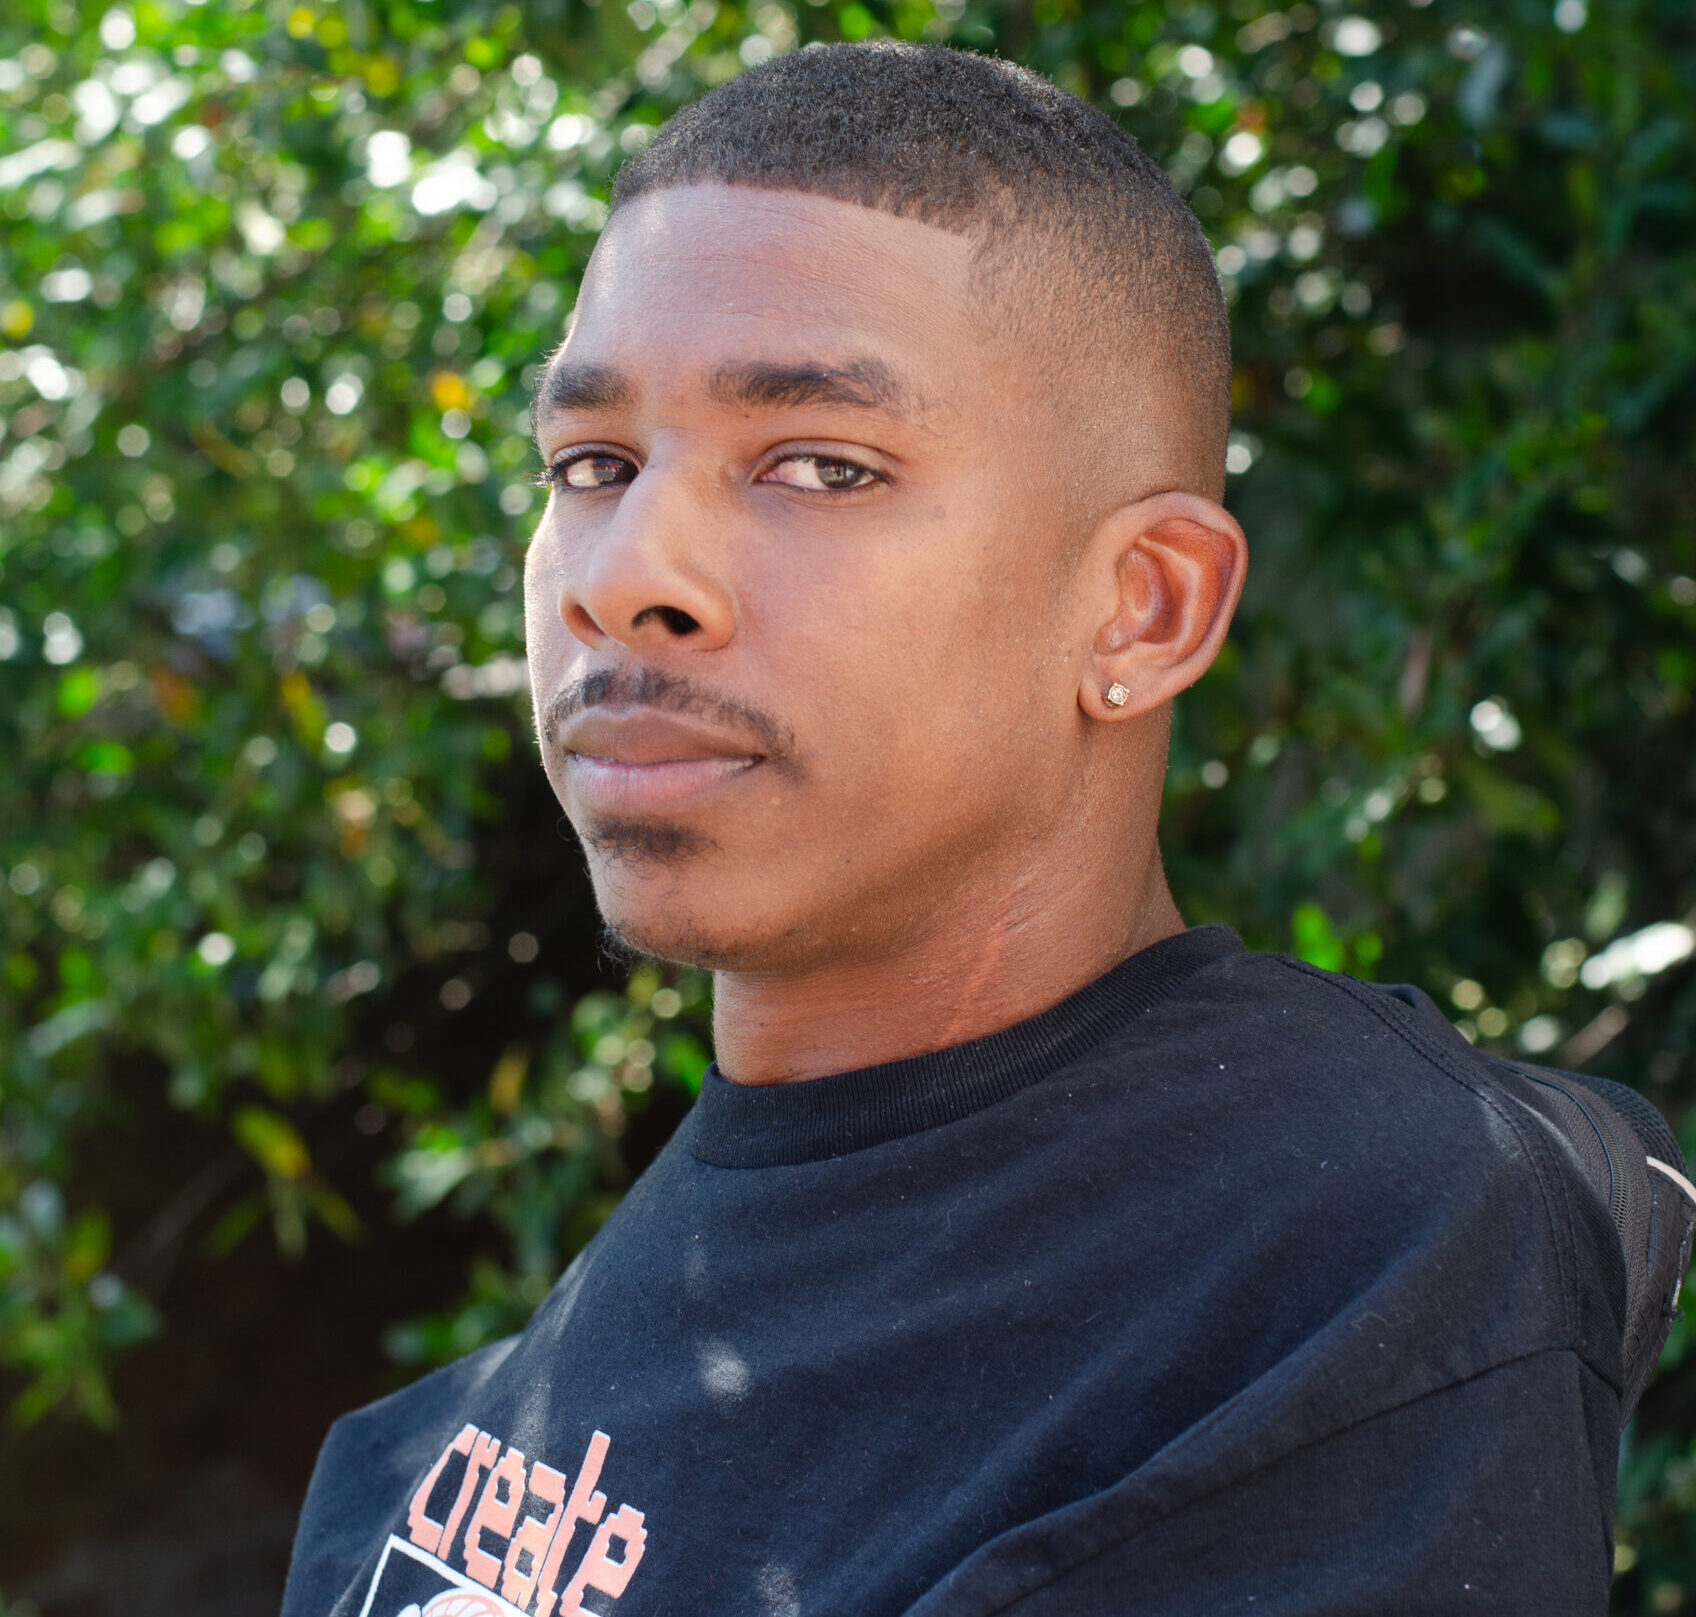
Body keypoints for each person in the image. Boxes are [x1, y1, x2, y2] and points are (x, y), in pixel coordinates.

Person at [283, 43, 1654, 1616]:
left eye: (820, 465)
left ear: (1142, 608)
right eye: (592, 463)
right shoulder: (429, 1451)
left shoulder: (1347, 1268)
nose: (625, 572)